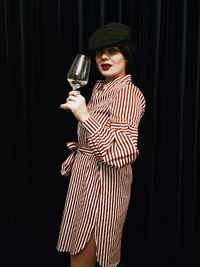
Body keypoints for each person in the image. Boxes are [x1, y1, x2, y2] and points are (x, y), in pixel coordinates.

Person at [57, 22, 146, 267]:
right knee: (77, 253)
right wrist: (83, 112)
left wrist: (85, 116)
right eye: (99, 53)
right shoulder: (100, 90)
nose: (104, 57)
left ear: (126, 55)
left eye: (113, 50)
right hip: (84, 181)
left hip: (103, 188)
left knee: (83, 260)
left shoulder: (128, 94)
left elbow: (121, 151)